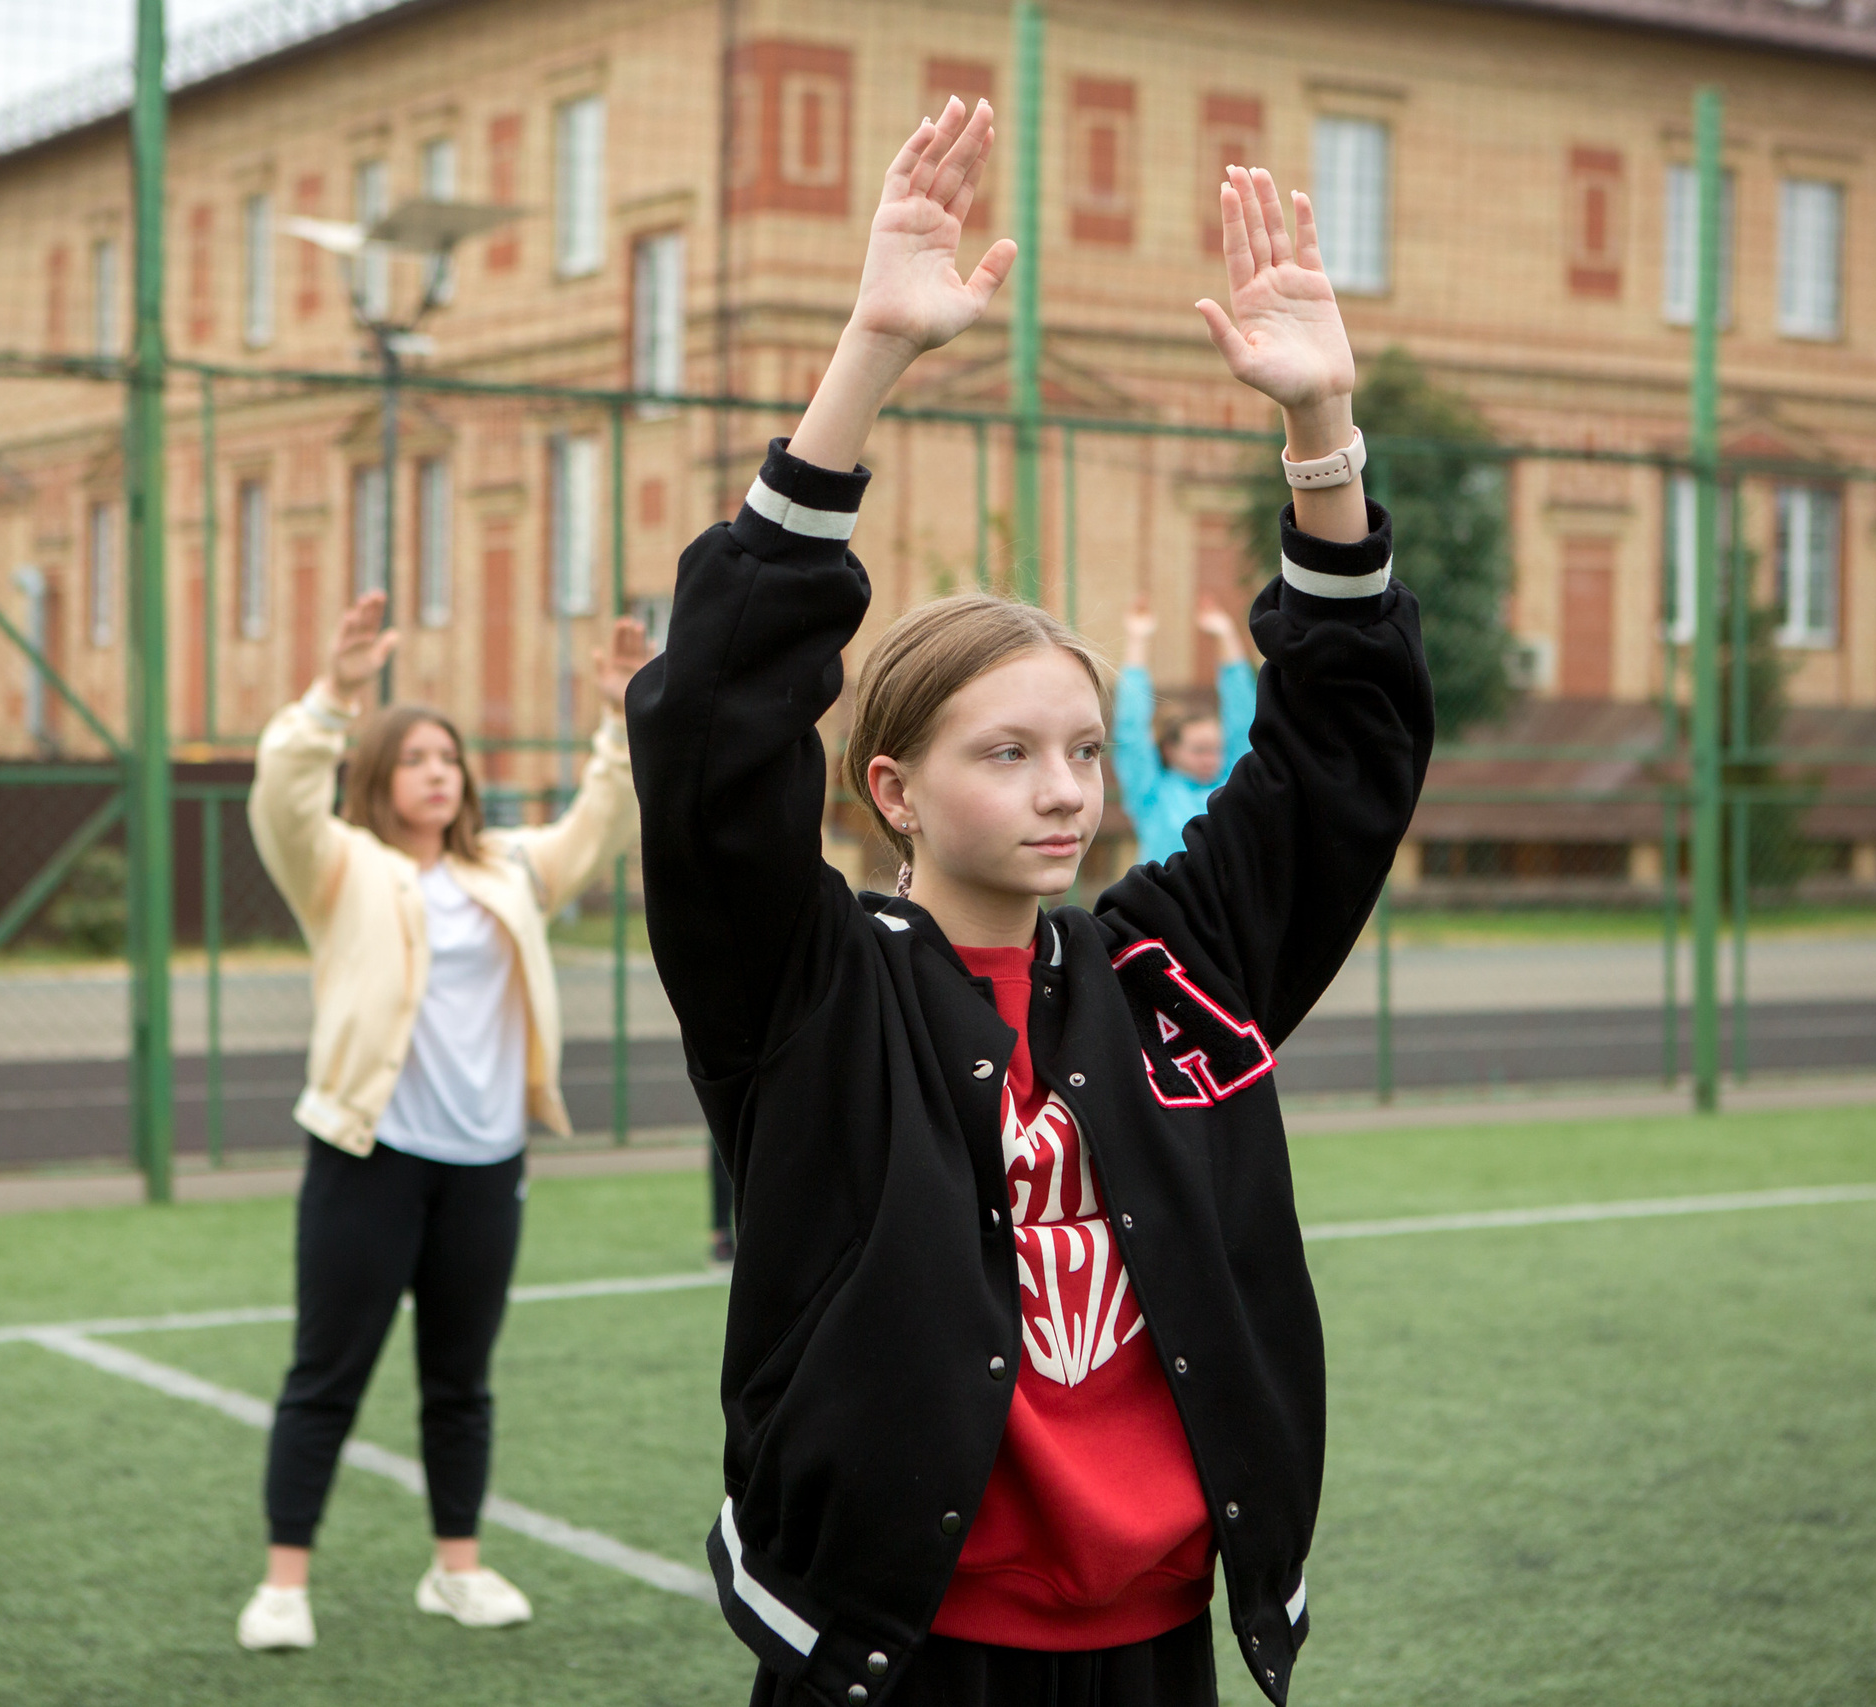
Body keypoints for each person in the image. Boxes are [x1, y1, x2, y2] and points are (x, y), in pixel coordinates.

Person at [628, 97, 1431, 1707]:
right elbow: (711, 732)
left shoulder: (1170, 967)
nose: (1065, 787)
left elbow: (1346, 753)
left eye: (1078, 747)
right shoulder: (813, 992)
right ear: (895, 788)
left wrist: (1322, 431)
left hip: (1152, 1648)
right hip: (902, 1654)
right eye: (1005, 753)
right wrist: (868, 355)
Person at [235, 589, 644, 1648]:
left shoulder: (505, 867)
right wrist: (334, 697)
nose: (436, 772)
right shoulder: (339, 865)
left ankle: (455, 1570)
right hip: (367, 1157)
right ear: (378, 774)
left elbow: (599, 825)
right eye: (414, 758)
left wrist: (615, 721)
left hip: (485, 1167)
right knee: (326, 1374)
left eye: (448, 758)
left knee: (460, 1382)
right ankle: (284, 1584)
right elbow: (281, 793)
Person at [1115, 593, 1256, 865]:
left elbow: (1243, 719)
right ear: (1170, 750)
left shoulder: (1230, 784)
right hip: (1167, 893)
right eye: (1200, 750)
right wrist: (1137, 638)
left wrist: (1225, 633)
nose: (1211, 758)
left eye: (1216, 749)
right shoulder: (1151, 793)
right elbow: (1131, 730)